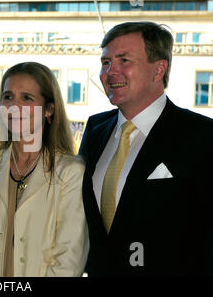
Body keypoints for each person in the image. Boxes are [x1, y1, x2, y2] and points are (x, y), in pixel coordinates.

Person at [79, 21, 213, 276]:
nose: (110, 72)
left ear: (158, 69)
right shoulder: (95, 129)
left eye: (123, 61)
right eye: (105, 63)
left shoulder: (203, 136)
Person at [0, 62, 88, 277]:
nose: (13, 106)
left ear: (49, 109)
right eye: (8, 97)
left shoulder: (71, 172)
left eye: (27, 98)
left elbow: (69, 257)